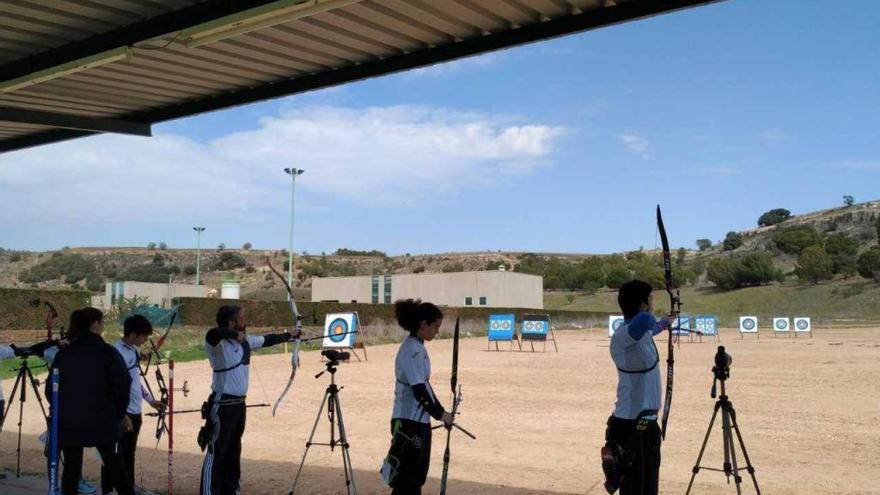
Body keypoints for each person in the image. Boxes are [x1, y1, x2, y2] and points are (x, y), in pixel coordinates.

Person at [199, 305, 294, 495]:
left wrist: (290, 335)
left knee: (234, 451)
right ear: (231, 323)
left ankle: (231, 491)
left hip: (239, 405)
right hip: (222, 404)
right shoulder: (217, 345)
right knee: (216, 451)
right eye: (242, 319)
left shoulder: (246, 341)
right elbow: (213, 333)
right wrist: (234, 335)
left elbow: (268, 340)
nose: (246, 321)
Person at [47, 307, 135, 495]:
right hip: (103, 421)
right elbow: (123, 385)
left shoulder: (64, 353)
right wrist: (119, 415)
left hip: (70, 421)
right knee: (117, 469)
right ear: (95, 324)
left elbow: (50, 390)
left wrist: (63, 411)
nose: (103, 327)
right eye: (102, 323)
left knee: (71, 471)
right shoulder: (107, 352)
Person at [602, 280, 672, 495]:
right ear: (642, 305)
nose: (652, 304)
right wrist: (652, 316)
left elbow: (652, 327)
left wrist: (666, 322)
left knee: (643, 489)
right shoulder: (623, 337)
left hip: (642, 426)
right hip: (634, 426)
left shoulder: (639, 334)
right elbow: (646, 320)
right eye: (650, 300)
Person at [382, 299, 454, 495]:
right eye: (435, 326)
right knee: (407, 478)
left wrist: (442, 413)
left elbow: (426, 387)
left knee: (416, 476)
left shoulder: (419, 347)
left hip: (418, 421)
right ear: (423, 324)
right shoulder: (411, 350)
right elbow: (420, 390)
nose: (437, 331)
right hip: (408, 422)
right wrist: (440, 415)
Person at [105, 314, 165, 495]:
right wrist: (121, 415)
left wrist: (151, 400)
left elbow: (136, 380)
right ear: (133, 334)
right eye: (143, 336)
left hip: (135, 411)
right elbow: (110, 386)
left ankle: (128, 488)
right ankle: (108, 490)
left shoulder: (133, 350)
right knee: (114, 455)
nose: (145, 340)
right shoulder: (115, 352)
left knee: (129, 454)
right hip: (122, 413)